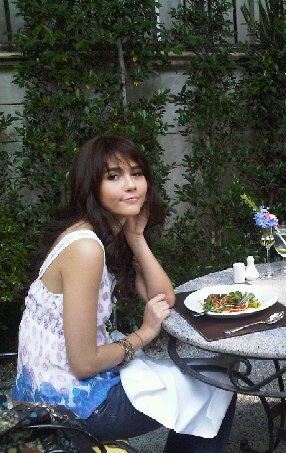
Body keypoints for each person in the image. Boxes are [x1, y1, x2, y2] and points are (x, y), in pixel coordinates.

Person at [12, 134, 235, 452]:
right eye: (114, 176)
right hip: (68, 408)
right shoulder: (85, 248)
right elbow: (84, 363)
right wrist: (144, 334)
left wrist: (136, 236)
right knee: (219, 381)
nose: (130, 185)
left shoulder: (100, 232)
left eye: (137, 173)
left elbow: (164, 300)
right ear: (91, 186)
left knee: (209, 375)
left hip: (58, 392)